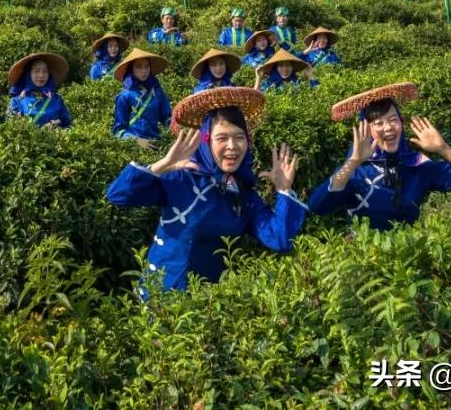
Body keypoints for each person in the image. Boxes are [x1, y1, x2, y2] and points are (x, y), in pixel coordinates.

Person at [105, 87, 309, 293]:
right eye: (221, 138)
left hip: (207, 306)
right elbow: (119, 195)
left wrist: (284, 190)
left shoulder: (244, 196)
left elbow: (279, 239)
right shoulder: (183, 178)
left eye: (239, 137)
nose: (232, 146)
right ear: (206, 141)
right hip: (159, 300)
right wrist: (162, 165)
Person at [308, 83, 451, 229]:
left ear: (401, 124)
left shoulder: (416, 165)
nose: (388, 128)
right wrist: (352, 163)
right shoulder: (355, 170)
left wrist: (443, 149)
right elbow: (319, 206)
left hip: (407, 255)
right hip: (363, 256)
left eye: (393, 120)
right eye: (378, 123)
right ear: (367, 130)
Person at [112, 48, 173, 148]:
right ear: (132, 69)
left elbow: (167, 117)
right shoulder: (125, 96)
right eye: (139, 67)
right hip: (133, 148)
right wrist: (136, 141)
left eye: (146, 66)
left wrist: (177, 128)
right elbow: (118, 131)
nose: (144, 71)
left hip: (156, 143)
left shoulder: (157, 91)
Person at [7, 53, 72, 129]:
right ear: (28, 73)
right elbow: (10, 130)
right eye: (37, 71)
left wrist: (56, 128)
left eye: (45, 71)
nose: (41, 75)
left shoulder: (56, 100)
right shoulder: (17, 101)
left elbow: (67, 125)